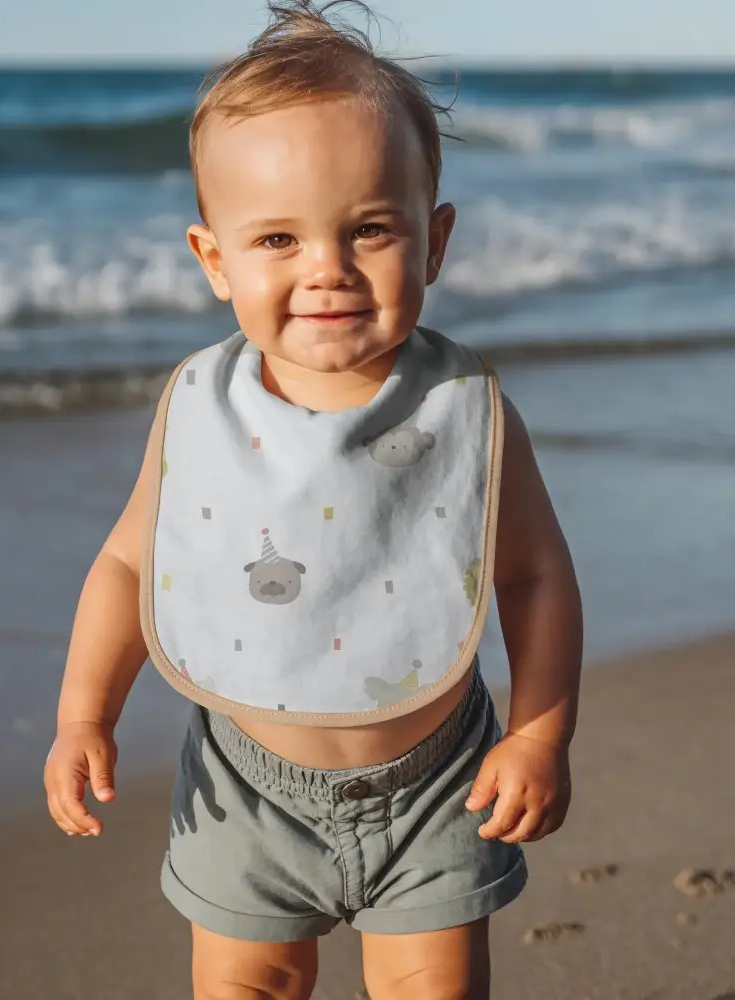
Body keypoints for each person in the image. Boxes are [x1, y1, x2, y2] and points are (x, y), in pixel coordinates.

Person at [44, 2, 583, 997]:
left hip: (435, 781)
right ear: (215, 259)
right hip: (244, 785)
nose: (325, 269)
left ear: (436, 240)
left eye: (370, 229)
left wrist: (538, 733)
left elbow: (535, 572)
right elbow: (128, 562)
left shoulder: (462, 406)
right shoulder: (203, 408)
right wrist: (86, 713)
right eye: (278, 239)